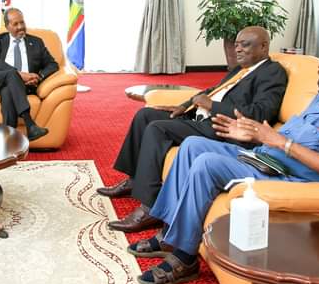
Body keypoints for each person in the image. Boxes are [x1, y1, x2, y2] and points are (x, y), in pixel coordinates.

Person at [128, 43, 319, 284]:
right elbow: (289, 136)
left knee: (207, 163)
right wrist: (253, 134)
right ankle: (170, 233)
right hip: (264, 156)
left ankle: (184, 258)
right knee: (193, 145)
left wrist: (281, 142)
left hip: (287, 175)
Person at [98, 26, 287, 232]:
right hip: (199, 117)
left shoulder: (272, 72)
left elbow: (260, 113)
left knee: (157, 129)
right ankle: (134, 180)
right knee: (145, 115)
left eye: (245, 45)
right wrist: (184, 105)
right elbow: (211, 91)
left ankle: (150, 207)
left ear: (263, 46)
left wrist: (212, 106)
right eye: (237, 45)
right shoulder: (239, 70)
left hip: (222, 128)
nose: (238, 49)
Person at [0, 8, 57, 141]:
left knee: (7, 92)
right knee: (12, 74)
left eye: (22, 22)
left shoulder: (36, 42)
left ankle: (8, 139)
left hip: (20, 87)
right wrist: (19, 74)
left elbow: (52, 64)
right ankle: (29, 123)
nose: (20, 27)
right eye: (15, 24)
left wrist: (39, 77)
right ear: (7, 26)